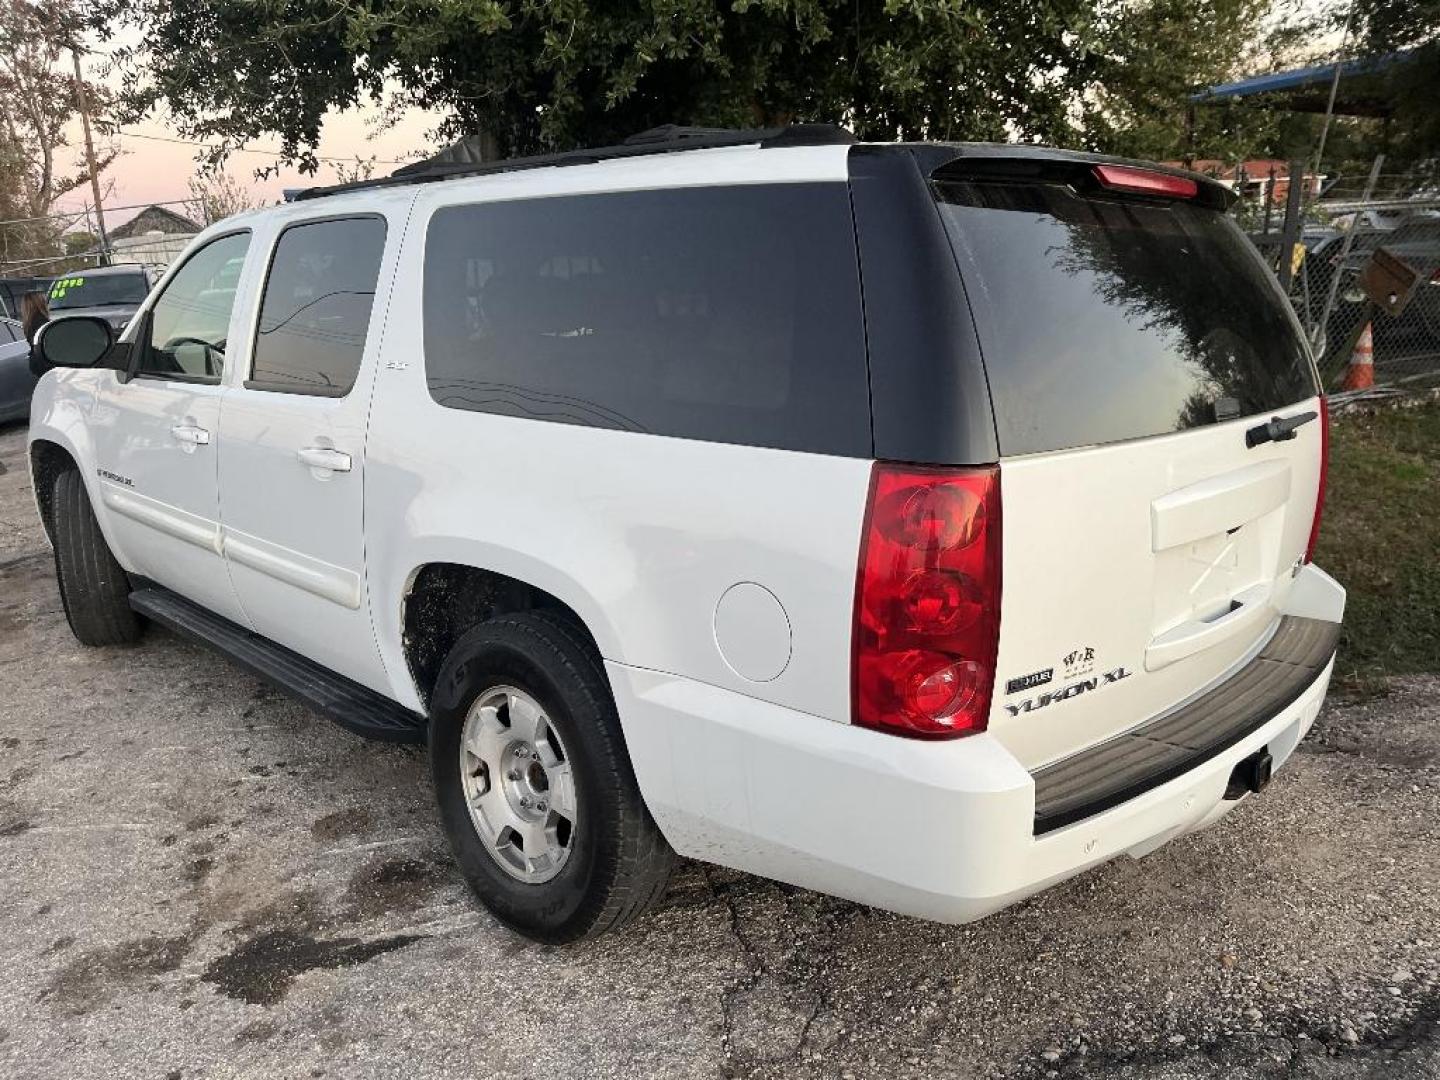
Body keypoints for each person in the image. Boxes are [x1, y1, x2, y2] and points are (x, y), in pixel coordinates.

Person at [21, 290, 51, 378]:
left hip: (36, 362)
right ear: (39, 303)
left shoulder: (29, 323)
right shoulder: (42, 322)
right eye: (44, 300)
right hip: (46, 364)